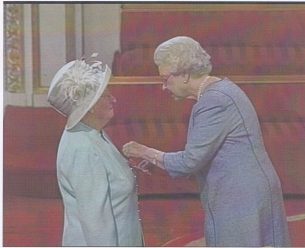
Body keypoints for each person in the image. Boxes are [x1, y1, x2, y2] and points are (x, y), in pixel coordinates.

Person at [122, 36, 291, 247]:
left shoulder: (215, 101)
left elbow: (190, 161)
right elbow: (203, 155)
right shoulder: (220, 92)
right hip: (243, 192)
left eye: (166, 79)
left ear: (184, 74)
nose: (163, 87)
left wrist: (143, 151)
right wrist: (158, 161)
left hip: (240, 197)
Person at [47, 55, 143, 246]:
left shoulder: (93, 133)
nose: (113, 99)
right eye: (106, 95)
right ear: (89, 107)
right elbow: (96, 223)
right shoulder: (83, 148)